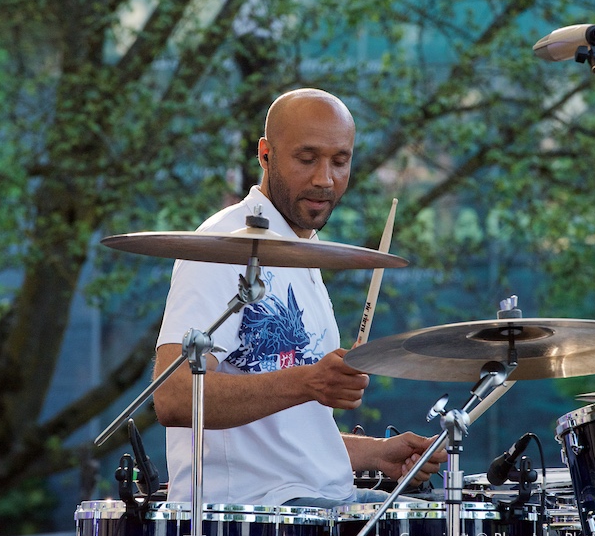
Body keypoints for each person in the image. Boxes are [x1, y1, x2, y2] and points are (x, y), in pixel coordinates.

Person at [153, 88, 446, 508]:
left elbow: (282, 439)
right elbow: (174, 397)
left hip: (318, 498)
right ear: (265, 155)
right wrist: (308, 382)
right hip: (257, 515)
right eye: (306, 159)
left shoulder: (302, 255)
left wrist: (377, 454)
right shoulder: (226, 248)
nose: (324, 179)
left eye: (339, 161)